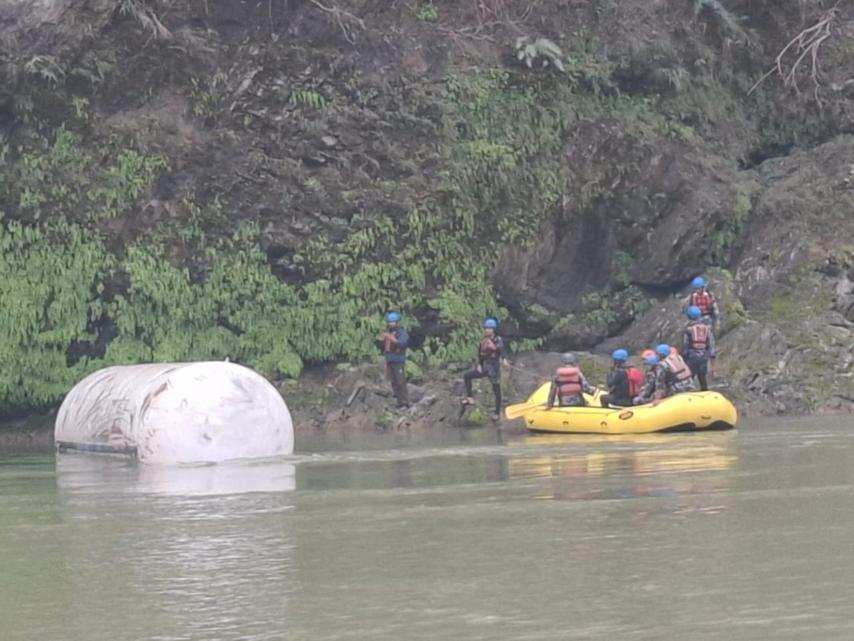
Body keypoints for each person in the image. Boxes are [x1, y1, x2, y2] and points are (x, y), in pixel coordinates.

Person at [462, 318, 505, 420]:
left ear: (493, 330)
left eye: (489, 328)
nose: (486, 330)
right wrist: (479, 365)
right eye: (486, 328)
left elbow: (501, 350)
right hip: (485, 367)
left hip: (494, 369)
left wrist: (504, 359)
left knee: (496, 390)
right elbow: (480, 354)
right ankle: (469, 397)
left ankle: (497, 413)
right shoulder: (483, 341)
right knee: (467, 376)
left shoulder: (498, 340)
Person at [379, 311, 409, 408]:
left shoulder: (401, 332)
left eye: (393, 322)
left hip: (398, 360)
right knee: (394, 382)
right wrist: (383, 339)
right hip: (390, 360)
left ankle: (405, 402)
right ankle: (399, 402)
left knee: (400, 381)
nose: (391, 324)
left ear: (397, 322)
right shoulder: (389, 332)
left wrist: (391, 338)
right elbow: (383, 346)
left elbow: (402, 344)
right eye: (390, 322)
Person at [682, 305, 716, 391]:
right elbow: (711, 345)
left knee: (690, 378)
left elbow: (685, 345)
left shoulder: (688, 329)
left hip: (692, 356)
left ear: (689, 317)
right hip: (704, 356)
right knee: (702, 377)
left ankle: (688, 396)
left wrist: (684, 359)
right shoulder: (707, 329)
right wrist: (711, 360)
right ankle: (705, 393)